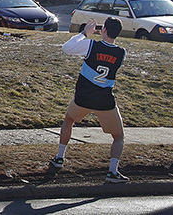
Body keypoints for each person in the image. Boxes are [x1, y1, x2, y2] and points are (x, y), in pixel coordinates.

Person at [50, 17, 129, 183]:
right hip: (104, 100)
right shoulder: (122, 53)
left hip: (83, 97)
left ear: (103, 30)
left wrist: (84, 33)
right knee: (118, 136)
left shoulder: (91, 45)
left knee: (69, 120)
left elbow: (66, 48)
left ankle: (59, 157)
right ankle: (112, 171)